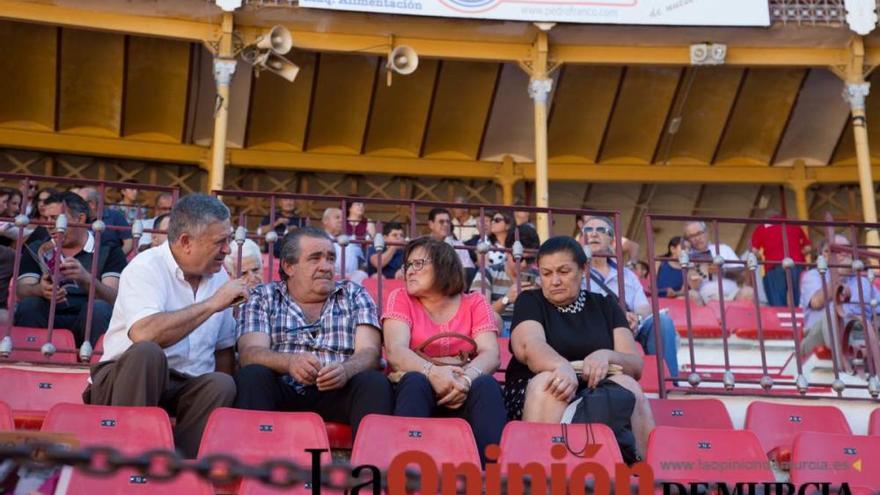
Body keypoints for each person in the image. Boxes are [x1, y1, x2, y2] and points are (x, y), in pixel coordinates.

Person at [87, 193, 244, 458]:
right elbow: (144, 333)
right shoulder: (145, 267)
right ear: (186, 242)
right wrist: (212, 305)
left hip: (184, 385)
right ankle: (129, 462)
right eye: (220, 241)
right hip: (126, 380)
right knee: (147, 352)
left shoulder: (219, 277)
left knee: (221, 383)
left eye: (228, 240)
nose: (228, 249)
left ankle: (181, 471)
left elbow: (223, 351)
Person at [233, 227, 393, 438]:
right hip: (283, 387)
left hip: (339, 390)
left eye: (330, 258)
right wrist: (290, 363)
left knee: (374, 383)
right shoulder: (262, 297)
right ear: (289, 266)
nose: (326, 266)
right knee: (252, 375)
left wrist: (346, 370)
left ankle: (371, 467)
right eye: (315, 258)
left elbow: (370, 352)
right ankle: (252, 466)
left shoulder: (355, 294)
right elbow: (250, 352)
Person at [504, 236, 654, 458]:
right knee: (553, 384)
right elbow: (528, 346)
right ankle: (540, 472)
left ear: (583, 269)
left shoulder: (606, 305)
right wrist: (561, 367)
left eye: (563, 272)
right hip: (537, 389)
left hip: (596, 390)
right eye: (546, 274)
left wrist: (606, 356)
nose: (554, 281)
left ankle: (646, 472)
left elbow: (634, 364)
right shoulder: (531, 301)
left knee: (628, 385)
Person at [383, 237, 505, 465]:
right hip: (416, 392)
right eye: (408, 265)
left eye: (418, 264)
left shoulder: (475, 302)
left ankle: (490, 476)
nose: (410, 271)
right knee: (414, 381)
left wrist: (466, 380)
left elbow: (491, 353)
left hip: (463, 390)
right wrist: (433, 373)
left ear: (444, 266)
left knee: (486, 385)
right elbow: (395, 351)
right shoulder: (401, 298)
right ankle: (409, 476)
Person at [15, 192, 126, 347]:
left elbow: (114, 297)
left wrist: (86, 279)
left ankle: (93, 366)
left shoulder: (109, 250)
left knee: (99, 308)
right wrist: (40, 290)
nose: (49, 225)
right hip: (47, 314)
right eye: (46, 218)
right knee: (29, 304)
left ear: (80, 219)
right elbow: (20, 290)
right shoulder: (37, 247)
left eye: (56, 219)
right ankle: (27, 362)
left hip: (87, 319)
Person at [581, 216, 679, 378]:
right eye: (588, 230)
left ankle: (668, 381)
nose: (593, 235)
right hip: (596, 326)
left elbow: (643, 306)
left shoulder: (627, 275)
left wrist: (637, 318)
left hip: (630, 326)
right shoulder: (576, 272)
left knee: (662, 322)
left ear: (611, 239)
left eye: (600, 230)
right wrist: (618, 318)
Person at [799, 235, 880, 358]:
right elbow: (816, 302)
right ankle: (850, 359)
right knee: (832, 319)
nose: (845, 254)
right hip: (821, 334)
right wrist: (839, 275)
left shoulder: (863, 281)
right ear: (825, 255)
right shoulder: (813, 275)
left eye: (848, 249)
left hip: (859, 331)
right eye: (839, 250)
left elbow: (877, 310)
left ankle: (860, 354)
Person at [470, 224, 541, 336]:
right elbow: (478, 315)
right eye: (518, 258)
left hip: (530, 329)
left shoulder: (538, 277)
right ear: (507, 252)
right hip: (496, 330)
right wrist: (506, 299)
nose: (523, 264)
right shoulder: (488, 273)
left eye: (530, 259)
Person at [683, 220, 753, 305]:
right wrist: (692, 282)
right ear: (687, 240)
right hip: (705, 298)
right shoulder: (688, 257)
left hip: (732, 295)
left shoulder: (723, 249)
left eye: (699, 233)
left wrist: (722, 271)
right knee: (691, 295)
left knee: (749, 292)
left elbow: (742, 273)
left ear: (706, 233)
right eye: (692, 236)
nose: (697, 238)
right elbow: (686, 286)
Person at [751, 210, 811, 307]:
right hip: (796, 265)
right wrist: (798, 254)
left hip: (774, 266)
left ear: (767, 218)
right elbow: (808, 248)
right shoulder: (794, 224)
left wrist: (761, 259)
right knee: (799, 300)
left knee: (777, 301)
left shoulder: (762, 227)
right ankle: (799, 319)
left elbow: (753, 250)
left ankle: (780, 319)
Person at [74, 186, 133, 255]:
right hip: (84, 260)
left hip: (110, 259)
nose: (76, 206)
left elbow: (128, 242)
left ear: (91, 204)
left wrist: (118, 258)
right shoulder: (78, 218)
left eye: (79, 203)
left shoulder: (114, 216)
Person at [322, 207, 367, 283]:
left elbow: (362, 263)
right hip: (328, 275)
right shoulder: (319, 238)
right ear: (325, 221)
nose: (341, 220)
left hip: (352, 278)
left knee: (362, 275)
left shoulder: (352, 240)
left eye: (343, 218)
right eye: (337, 217)